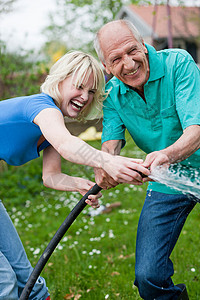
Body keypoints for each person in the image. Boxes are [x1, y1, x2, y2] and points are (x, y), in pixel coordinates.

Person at [0, 50, 150, 300]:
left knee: (29, 280)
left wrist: (80, 184)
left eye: (91, 92)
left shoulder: (49, 123)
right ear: (59, 80)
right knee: (4, 284)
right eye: (79, 86)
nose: (85, 97)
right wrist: (109, 162)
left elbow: (51, 177)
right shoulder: (42, 108)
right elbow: (67, 144)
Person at [94, 20, 200, 300]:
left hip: (181, 162)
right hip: (168, 181)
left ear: (143, 45)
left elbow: (196, 131)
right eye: (116, 59)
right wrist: (105, 165)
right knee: (148, 276)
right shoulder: (112, 95)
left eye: (132, 51)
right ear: (106, 66)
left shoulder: (178, 63)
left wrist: (166, 155)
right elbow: (110, 145)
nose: (128, 65)